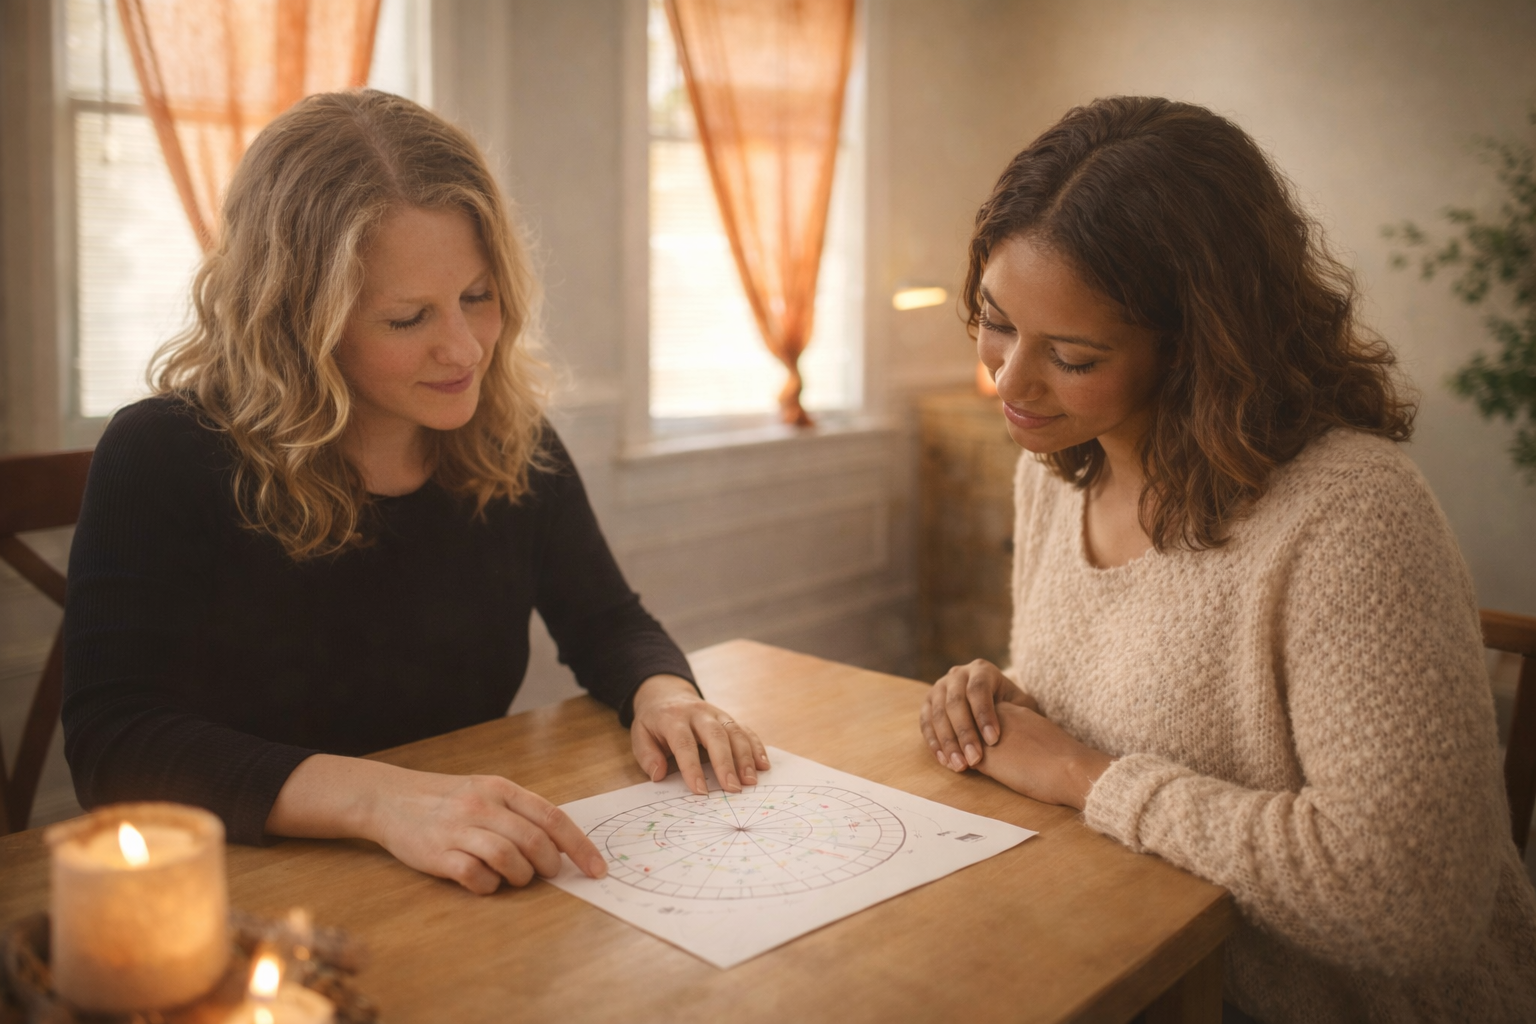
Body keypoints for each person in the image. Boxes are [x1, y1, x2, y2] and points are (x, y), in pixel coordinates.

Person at [920, 96, 1536, 1022]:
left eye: (1074, 356)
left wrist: (1082, 774)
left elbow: (1415, 904)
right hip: (1157, 977)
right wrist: (1010, 701)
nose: (1008, 381)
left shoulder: (1350, 513)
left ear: (1200, 348)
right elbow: (1150, 703)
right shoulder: (1056, 473)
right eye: (996, 320)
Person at [63, 90, 769, 896]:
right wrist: (381, 802)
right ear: (298, 323)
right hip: (243, 891)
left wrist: (666, 694)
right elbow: (113, 741)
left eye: (477, 295)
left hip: (454, 884)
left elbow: (606, 621)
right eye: (407, 319)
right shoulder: (162, 452)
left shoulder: (512, 440)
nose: (464, 348)